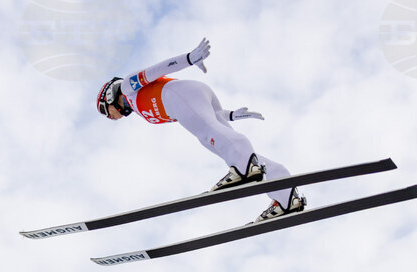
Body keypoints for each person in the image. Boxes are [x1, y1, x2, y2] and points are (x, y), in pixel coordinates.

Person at [96, 38, 305, 224]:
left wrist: (188, 58)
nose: (111, 117)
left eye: (106, 111)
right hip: (191, 97)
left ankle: (244, 170)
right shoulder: (139, 109)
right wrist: (230, 115)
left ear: (108, 96)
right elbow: (207, 116)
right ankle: (286, 196)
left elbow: (156, 71)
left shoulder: (127, 89)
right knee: (217, 140)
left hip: (179, 96)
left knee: (210, 135)